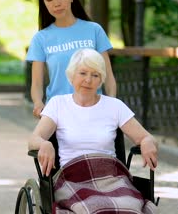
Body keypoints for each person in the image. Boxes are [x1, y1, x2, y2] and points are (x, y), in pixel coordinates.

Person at [28, 48, 158, 213]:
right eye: (82, 73)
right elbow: (33, 139)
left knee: (129, 207)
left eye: (95, 75)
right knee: (92, 209)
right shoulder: (58, 104)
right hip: (72, 178)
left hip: (112, 177)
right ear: (72, 75)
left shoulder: (114, 106)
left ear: (101, 79)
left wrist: (147, 142)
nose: (88, 80)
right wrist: (44, 144)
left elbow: (146, 137)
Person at [26, 0, 117, 118]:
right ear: (44, 3)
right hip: (57, 113)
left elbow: (108, 74)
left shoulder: (94, 30)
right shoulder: (40, 38)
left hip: (93, 110)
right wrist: (38, 103)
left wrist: (112, 102)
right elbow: (36, 83)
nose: (56, 3)